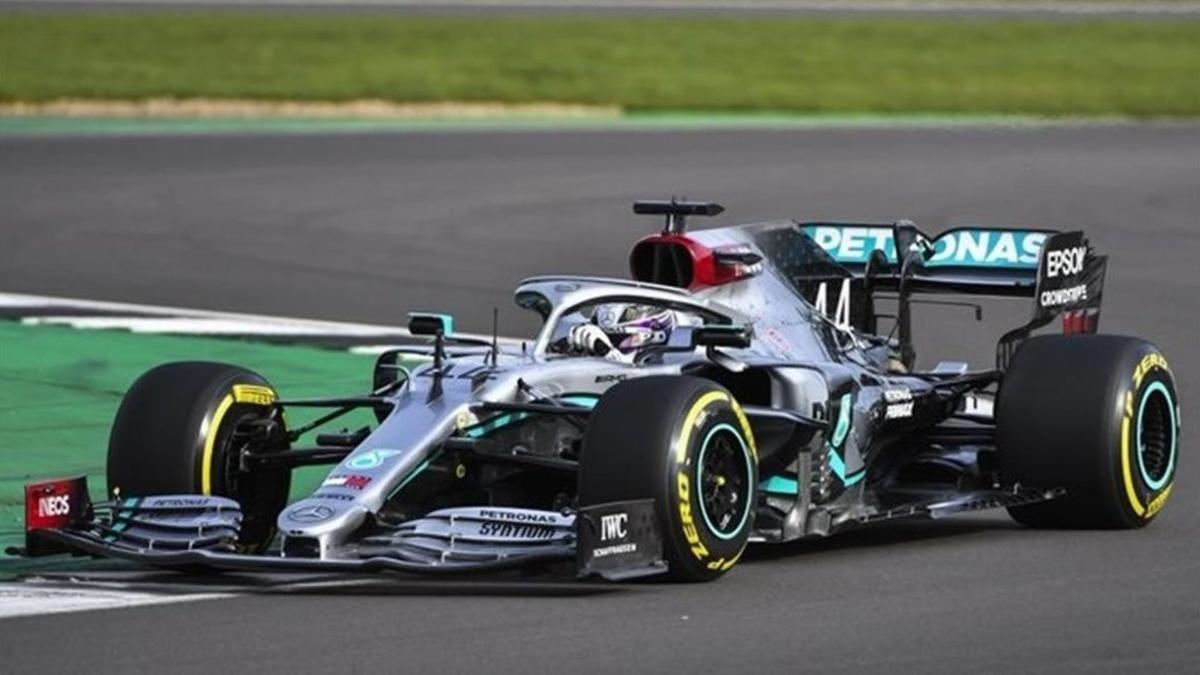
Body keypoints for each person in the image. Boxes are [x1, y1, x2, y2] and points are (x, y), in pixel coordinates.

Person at [567, 303, 677, 363]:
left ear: (652, 337)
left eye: (618, 339)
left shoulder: (667, 371)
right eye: (605, 337)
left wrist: (605, 350)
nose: (610, 343)